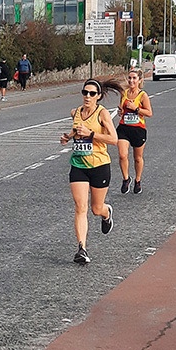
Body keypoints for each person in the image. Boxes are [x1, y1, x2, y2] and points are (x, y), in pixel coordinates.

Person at [60, 77, 123, 264]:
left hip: (99, 165)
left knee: (96, 209)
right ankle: (82, 249)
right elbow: (77, 130)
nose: (87, 96)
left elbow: (114, 139)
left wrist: (92, 134)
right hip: (78, 165)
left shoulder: (102, 114)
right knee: (80, 207)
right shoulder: (76, 112)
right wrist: (68, 137)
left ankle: (106, 213)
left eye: (92, 93)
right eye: (85, 92)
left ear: (98, 96)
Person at [116, 68, 153, 195]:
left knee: (137, 158)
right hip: (124, 128)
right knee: (122, 155)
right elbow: (121, 109)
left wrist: (136, 108)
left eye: (134, 78)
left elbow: (149, 113)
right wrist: (120, 111)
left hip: (138, 129)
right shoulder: (124, 93)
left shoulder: (143, 95)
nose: (131, 81)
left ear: (140, 80)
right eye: (130, 78)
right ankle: (126, 179)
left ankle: (137, 180)